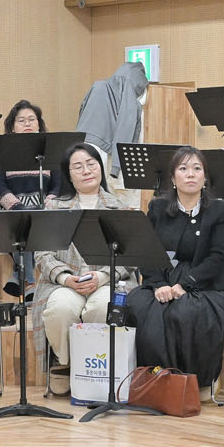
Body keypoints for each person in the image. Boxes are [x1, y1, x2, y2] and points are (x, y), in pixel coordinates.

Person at [122, 146, 224, 386]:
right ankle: (152, 380)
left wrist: (185, 284)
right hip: (164, 278)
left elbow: (218, 258)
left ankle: (190, 382)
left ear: (205, 178)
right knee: (139, 306)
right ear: (173, 178)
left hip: (206, 284)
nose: (191, 174)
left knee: (185, 312)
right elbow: (148, 252)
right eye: (183, 169)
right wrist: (158, 285)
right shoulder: (158, 208)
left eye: (197, 169)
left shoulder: (219, 210)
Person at [33, 141, 138, 394]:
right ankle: (65, 363)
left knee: (103, 307)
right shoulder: (54, 208)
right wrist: (65, 278)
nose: (87, 170)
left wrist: (102, 276)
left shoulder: (119, 207)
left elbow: (130, 256)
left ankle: (95, 366)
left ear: (100, 168)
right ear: (68, 175)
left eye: (91, 164)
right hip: (64, 282)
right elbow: (42, 253)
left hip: (107, 279)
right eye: (78, 166)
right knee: (60, 309)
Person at [75, 60, 148, 184]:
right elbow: (125, 130)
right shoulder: (129, 97)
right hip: (101, 149)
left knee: (82, 186)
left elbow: (81, 110)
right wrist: (117, 167)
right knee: (98, 187)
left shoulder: (98, 85)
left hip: (78, 141)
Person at [0, 100, 52, 209]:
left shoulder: (50, 149)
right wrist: (18, 208)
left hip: (48, 211)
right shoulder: (0, 151)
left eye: (32, 119)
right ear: (12, 127)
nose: (27, 124)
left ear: (39, 124)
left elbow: (58, 184)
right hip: (12, 212)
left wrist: (49, 205)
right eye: (21, 120)